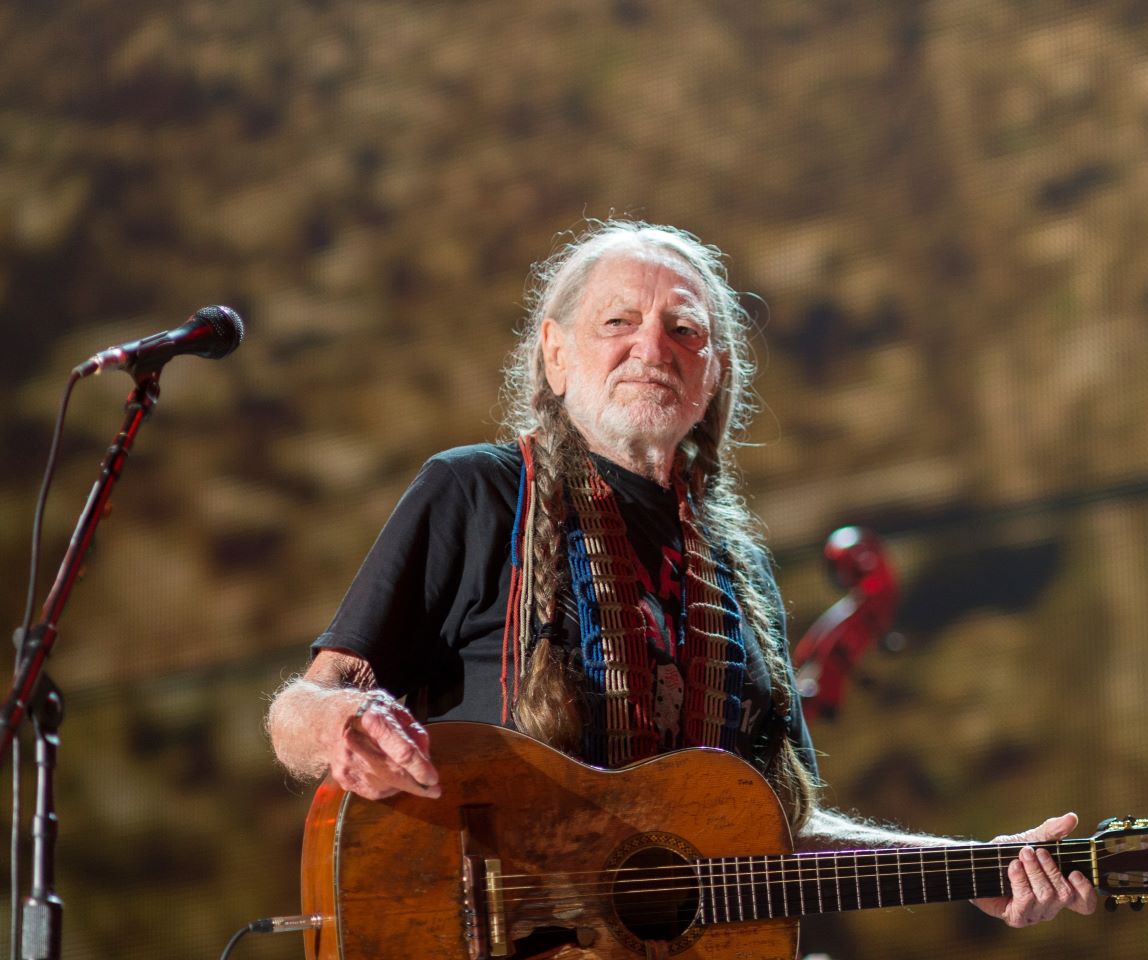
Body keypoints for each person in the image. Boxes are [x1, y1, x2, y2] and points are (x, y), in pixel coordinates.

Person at [266, 219, 1097, 932]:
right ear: (554, 355)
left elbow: (778, 832)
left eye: (684, 330)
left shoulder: (741, 574)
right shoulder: (476, 492)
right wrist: (343, 721)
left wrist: (969, 867)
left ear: (715, 374)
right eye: (617, 321)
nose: (650, 348)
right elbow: (296, 713)